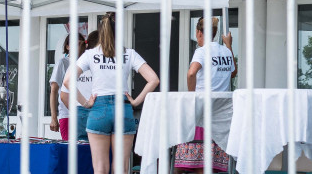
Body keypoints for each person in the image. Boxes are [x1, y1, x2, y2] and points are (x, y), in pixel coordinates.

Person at [73, 13, 160, 174]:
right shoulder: (129, 53)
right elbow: (153, 79)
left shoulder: (90, 54)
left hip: (98, 109)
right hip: (123, 109)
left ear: (101, 33)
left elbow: (67, 81)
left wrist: (85, 102)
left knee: (100, 168)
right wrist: (136, 101)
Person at [173, 17, 236, 173]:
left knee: (193, 163)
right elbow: (233, 72)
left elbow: (191, 73)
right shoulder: (226, 51)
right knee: (209, 164)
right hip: (221, 116)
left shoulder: (201, 51)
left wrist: (191, 95)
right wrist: (228, 45)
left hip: (202, 112)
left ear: (199, 32)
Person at [50, 33, 87, 140]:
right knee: (70, 147)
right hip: (67, 114)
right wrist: (54, 118)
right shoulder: (63, 62)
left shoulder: (87, 63)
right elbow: (54, 90)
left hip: (85, 114)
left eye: (80, 43)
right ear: (67, 46)